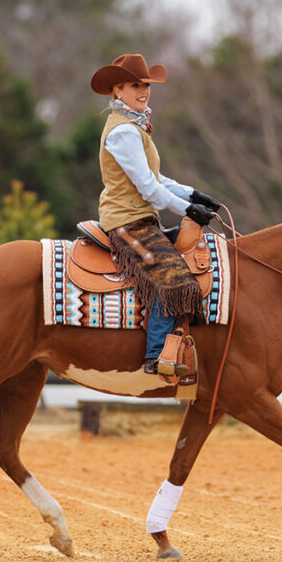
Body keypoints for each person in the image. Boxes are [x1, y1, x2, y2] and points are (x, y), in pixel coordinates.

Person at [89, 53, 224, 375]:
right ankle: (156, 357)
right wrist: (188, 209)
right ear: (117, 91)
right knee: (174, 280)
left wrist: (193, 194)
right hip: (126, 221)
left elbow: (157, 180)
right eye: (135, 86)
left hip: (139, 218)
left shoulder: (135, 127)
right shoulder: (124, 132)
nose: (143, 92)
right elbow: (149, 189)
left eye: (146, 85)